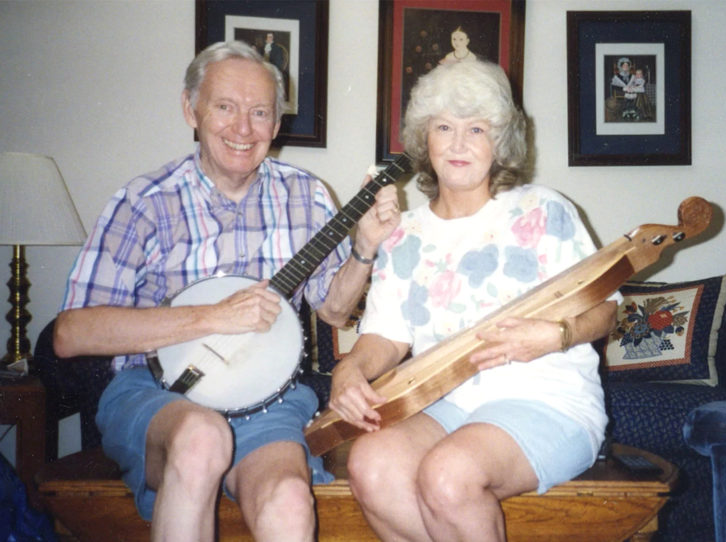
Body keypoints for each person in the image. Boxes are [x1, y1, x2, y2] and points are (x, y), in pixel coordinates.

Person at [53, 40, 399, 542]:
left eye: (260, 112)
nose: (243, 128)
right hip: (156, 392)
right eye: (225, 107)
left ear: (277, 126)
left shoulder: (307, 195)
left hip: (270, 398)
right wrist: (214, 316)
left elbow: (332, 309)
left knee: (287, 501)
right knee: (201, 439)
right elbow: (70, 333)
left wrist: (364, 248)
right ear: (190, 109)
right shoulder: (142, 203)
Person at [328, 60, 620, 542]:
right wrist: (350, 369)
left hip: (549, 400)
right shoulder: (405, 235)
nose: (459, 143)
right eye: (444, 127)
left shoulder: (545, 210)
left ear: (499, 142)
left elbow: (608, 308)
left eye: (476, 129)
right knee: (371, 462)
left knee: (449, 475)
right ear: (425, 140)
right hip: (448, 406)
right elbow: (384, 335)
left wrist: (556, 335)